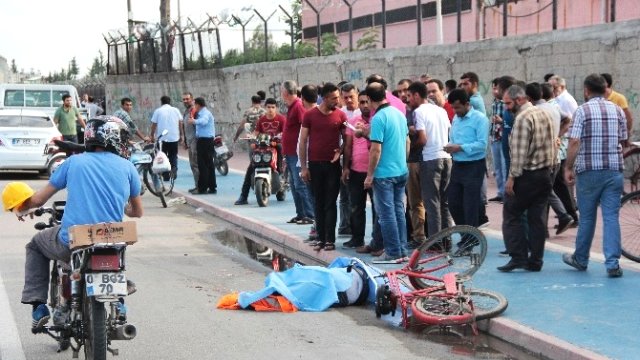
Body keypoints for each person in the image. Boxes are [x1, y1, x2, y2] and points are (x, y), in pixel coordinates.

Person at [3, 116, 143, 329]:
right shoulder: (128, 167)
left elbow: (39, 199)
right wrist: (119, 204)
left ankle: (38, 304)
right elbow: (137, 212)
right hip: (112, 241)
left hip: (75, 240)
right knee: (114, 260)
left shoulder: (73, 162)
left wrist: (22, 206)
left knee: (35, 245)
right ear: (113, 139)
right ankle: (118, 302)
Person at [562, 74, 628, 278]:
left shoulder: (582, 111)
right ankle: (612, 264)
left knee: (588, 217)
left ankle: (581, 259)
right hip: (613, 170)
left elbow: (574, 142)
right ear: (605, 89)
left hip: (589, 171)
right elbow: (624, 138)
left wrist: (568, 167)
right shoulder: (617, 110)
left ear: (586, 90)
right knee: (611, 217)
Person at [497, 85, 556, 272]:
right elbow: (554, 143)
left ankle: (518, 257)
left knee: (511, 215)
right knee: (537, 219)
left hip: (526, 175)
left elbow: (519, 153)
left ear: (520, 99)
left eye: (508, 103)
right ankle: (536, 260)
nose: (506, 107)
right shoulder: (544, 113)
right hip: (545, 173)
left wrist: (511, 178)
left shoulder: (522, 118)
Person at [363, 82, 409, 263]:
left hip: (384, 174)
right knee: (398, 211)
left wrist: (369, 175)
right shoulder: (399, 114)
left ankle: (392, 252)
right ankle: (402, 250)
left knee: (386, 214)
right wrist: (402, 163)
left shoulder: (378, 118)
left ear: (369, 99)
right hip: (400, 170)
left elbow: (376, 150)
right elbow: (407, 142)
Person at [299, 83, 347, 251]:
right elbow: (303, 141)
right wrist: (304, 168)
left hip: (332, 166)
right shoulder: (310, 115)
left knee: (330, 202)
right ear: (325, 98)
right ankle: (320, 237)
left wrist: (340, 152)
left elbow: (348, 140)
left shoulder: (341, 116)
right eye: (334, 98)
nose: (338, 100)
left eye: (338, 97)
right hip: (314, 166)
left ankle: (330, 240)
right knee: (318, 202)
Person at [410, 81, 453, 237]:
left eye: (410, 96)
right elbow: (449, 131)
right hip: (446, 156)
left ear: (416, 95)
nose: (409, 100)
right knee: (444, 203)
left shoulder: (419, 112)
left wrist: (410, 148)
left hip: (430, 158)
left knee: (432, 202)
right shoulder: (440, 110)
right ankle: (446, 239)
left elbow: (422, 139)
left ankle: (436, 241)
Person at [342, 93, 382, 251]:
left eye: (368, 102)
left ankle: (376, 241)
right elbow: (348, 146)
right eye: (362, 102)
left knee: (377, 208)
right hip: (356, 171)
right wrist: (345, 167)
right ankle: (357, 239)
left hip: (375, 171)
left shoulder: (377, 121)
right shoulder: (352, 122)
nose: (365, 105)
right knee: (356, 207)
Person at [445, 89, 490, 228]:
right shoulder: (456, 119)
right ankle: (466, 235)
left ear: (467, 104)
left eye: (457, 107)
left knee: (470, 205)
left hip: (474, 166)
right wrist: (450, 147)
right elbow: (453, 138)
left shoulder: (480, 119)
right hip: (458, 164)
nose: (455, 110)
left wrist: (460, 147)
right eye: (453, 107)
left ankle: (470, 240)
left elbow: (482, 145)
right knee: (453, 202)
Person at [235, 98, 286, 205]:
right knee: (251, 168)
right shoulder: (262, 119)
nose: (271, 109)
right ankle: (243, 196)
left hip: (275, 145)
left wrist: (277, 141)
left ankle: (280, 173)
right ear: (265, 107)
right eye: (268, 107)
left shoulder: (281, 119)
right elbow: (256, 132)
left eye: (273, 107)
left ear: (276, 108)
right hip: (263, 146)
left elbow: (285, 133)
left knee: (280, 148)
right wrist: (252, 139)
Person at [282, 80, 315, 224]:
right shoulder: (291, 107)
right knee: (294, 185)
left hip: (296, 154)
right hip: (290, 153)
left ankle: (309, 214)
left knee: (300, 184)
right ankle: (300, 213)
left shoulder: (298, 106)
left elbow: (306, 125)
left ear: (285, 92)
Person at [337, 83, 361, 235]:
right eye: (345, 98)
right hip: (344, 158)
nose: (349, 100)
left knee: (357, 197)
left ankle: (356, 227)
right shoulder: (340, 114)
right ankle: (345, 225)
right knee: (344, 194)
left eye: (351, 97)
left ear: (357, 95)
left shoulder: (363, 112)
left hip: (360, 159)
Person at [150, 96, 183, 182]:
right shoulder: (176, 110)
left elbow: (154, 124)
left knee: (162, 156)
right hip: (174, 137)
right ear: (169, 102)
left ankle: (165, 176)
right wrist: (181, 134)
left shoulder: (158, 111)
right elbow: (180, 123)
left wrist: (152, 135)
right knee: (173, 155)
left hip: (162, 138)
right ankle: (174, 169)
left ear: (161, 102)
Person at [188, 97, 217, 195]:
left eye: (195, 104)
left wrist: (194, 121)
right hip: (204, 140)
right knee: (208, 164)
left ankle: (202, 188)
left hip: (205, 141)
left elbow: (204, 121)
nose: (194, 106)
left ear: (198, 105)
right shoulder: (201, 113)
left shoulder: (205, 113)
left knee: (203, 165)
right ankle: (211, 187)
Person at [488, 78, 506, 202]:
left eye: (496, 88)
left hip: (504, 137)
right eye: (493, 88)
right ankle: (500, 192)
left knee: (505, 166)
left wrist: (501, 121)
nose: (495, 91)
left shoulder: (506, 103)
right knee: (497, 167)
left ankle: (506, 193)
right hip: (495, 137)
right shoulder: (494, 103)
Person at [602, 73, 634, 139]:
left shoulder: (619, 98)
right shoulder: (597, 98)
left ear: (605, 84)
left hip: (617, 136)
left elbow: (629, 118)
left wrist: (627, 134)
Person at [181, 92, 199, 192]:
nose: (185, 101)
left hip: (195, 141)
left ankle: (199, 186)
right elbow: (184, 126)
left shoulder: (194, 110)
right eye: (183, 99)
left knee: (196, 164)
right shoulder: (186, 111)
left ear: (192, 99)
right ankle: (197, 185)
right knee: (193, 165)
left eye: (187, 99)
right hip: (189, 140)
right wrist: (184, 140)